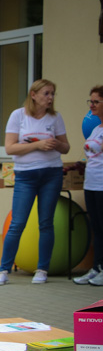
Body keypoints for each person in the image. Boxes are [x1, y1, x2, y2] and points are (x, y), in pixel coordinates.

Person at [0, 79, 70, 286]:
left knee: (46, 222)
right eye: (46, 93)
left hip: (51, 173)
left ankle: (42, 269)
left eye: (52, 93)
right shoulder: (18, 116)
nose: (50, 98)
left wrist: (56, 144)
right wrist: (38, 145)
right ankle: (3, 270)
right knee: (17, 223)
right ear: (33, 95)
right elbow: (10, 148)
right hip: (25, 175)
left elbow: (66, 148)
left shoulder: (55, 117)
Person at [76, 85, 103, 286]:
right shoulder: (96, 128)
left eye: (96, 102)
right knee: (96, 228)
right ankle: (96, 268)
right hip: (91, 184)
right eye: (90, 101)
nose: (91, 106)